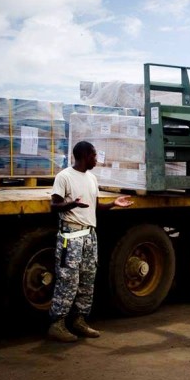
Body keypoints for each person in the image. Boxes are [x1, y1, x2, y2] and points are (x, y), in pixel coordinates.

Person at [47, 141, 134, 342]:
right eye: (94, 155)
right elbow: (54, 205)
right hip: (71, 236)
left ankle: (79, 321)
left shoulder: (92, 178)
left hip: (89, 236)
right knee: (68, 281)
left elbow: (95, 208)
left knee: (87, 280)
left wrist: (113, 203)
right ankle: (57, 324)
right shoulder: (64, 176)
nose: (97, 159)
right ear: (86, 155)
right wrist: (71, 204)